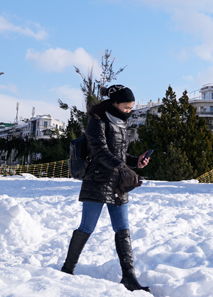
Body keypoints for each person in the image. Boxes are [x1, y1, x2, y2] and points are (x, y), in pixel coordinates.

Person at [61, 84, 152, 292]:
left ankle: (129, 277)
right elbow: (99, 150)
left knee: (123, 228)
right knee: (87, 227)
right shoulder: (97, 120)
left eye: (131, 107)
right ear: (114, 103)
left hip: (119, 181)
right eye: (126, 107)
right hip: (98, 179)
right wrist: (122, 167)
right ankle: (67, 270)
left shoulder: (121, 122)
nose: (129, 111)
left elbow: (119, 154)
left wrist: (135, 161)